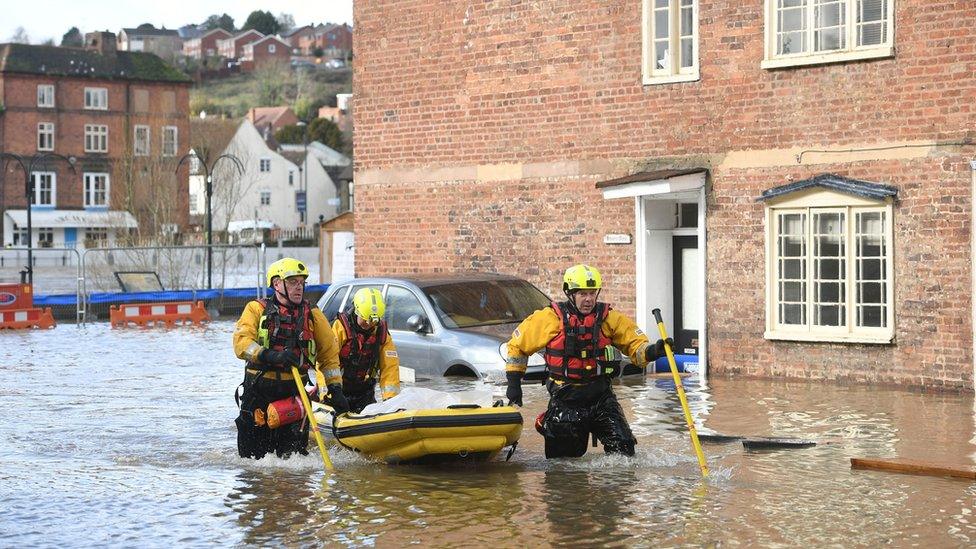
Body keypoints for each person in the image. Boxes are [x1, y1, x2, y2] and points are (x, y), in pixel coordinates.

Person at [504, 264, 672, 458]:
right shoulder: (549, 318)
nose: (589, 299)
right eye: (583, 294)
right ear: (570, 294)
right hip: (567, 397)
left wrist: (654, 351)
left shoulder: (609, 318)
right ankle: (549, 423)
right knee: (564, 466)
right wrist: (514, 383)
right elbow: (517, 346)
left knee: (624, 450)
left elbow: (636, 347)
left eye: (592, 293)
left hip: (601, 395)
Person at [232, 257, 349, 460]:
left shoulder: (313, 316)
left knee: (293, 463)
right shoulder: (256, 309)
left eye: (301, 282)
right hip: (259, 395)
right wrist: (271, 355)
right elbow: (241, 344)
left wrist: (335, 388)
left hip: (294, 396)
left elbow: (329, 355)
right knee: (252, 464)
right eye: (292, 281)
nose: (299, 287)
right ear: (276, 284)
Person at [332, 288, 401, 413]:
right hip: (338, 391)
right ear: (356, 311)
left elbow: (390, 368)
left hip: (364, 393)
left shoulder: (382, 334)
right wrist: (328, 394)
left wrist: (391, 401)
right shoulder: (340, 328)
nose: (369, 324)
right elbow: (327, 362)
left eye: (373, 321)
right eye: (365, 319)